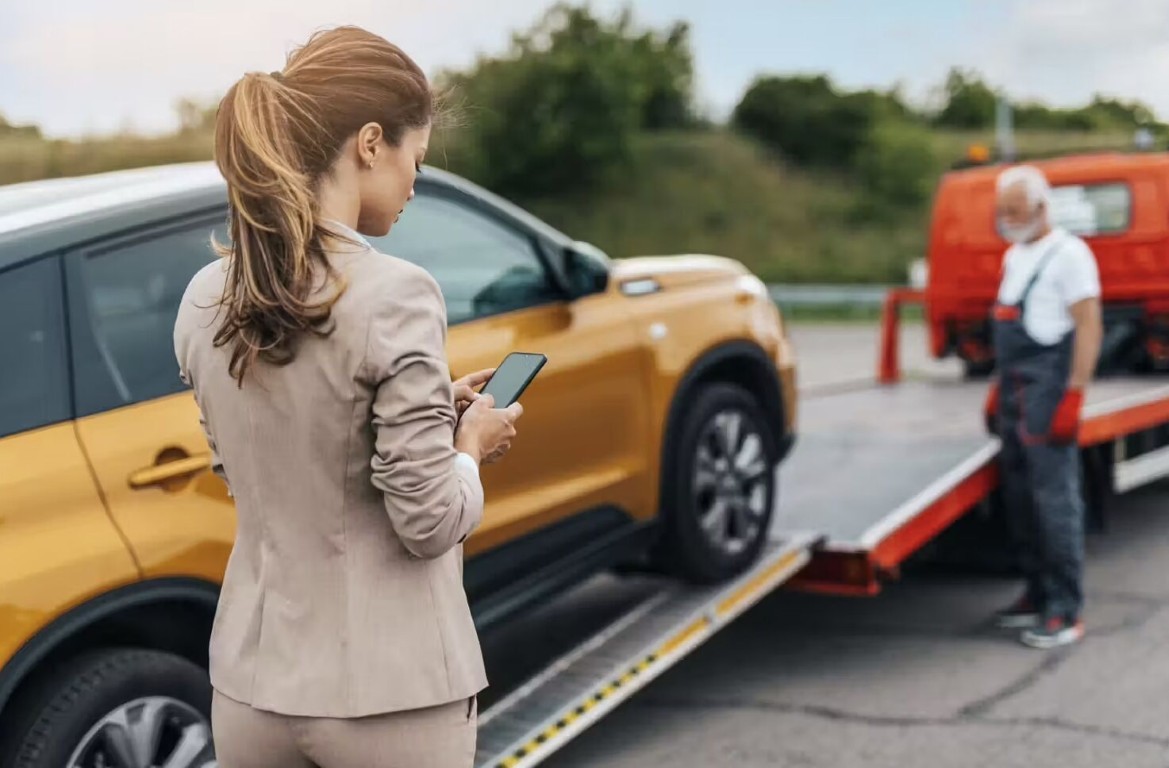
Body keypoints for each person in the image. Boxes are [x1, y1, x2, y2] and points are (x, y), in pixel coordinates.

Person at [173, 26, 523, 767]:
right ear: (370, 142)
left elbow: (255, 464)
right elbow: (428, 521)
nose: (413, 183)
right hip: (389, 692)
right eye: (414, 160)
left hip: (250, 686)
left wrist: (429, 410)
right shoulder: (396, 291)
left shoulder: (205, 295)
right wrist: (467, 446)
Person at [983, 164, 1103, 650]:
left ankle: (1064, 609)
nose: (1008, 219)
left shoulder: (1070, 256)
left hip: (1049, 386)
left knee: (1054, 501)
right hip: (1014, 388)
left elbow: (1088, 325)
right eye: (1003, 212)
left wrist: (1074, 393)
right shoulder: (1015, 256)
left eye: (1016, 211)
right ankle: (1034, 593)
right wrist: (997, 387)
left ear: (1041, 207)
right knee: (1019, 496)